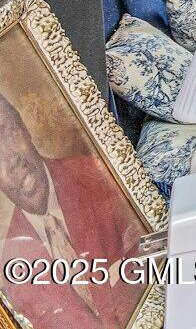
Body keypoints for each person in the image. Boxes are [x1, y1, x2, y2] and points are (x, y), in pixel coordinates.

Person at [0, 90, 142, 329]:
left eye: (8, 132)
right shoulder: (10, 272)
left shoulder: (102, 178)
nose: (10, 158)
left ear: (24, 127)